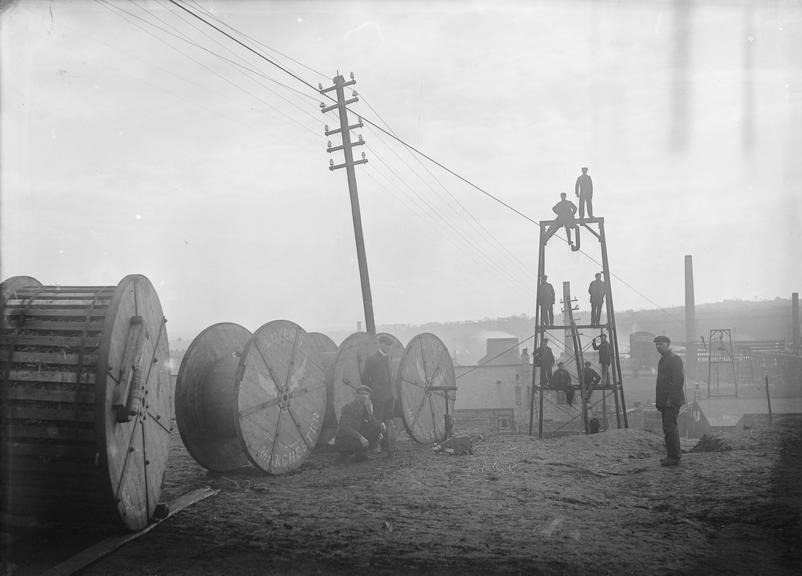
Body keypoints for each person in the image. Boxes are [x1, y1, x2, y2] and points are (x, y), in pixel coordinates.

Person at [360, 334, 396, 456]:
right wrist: (372, 390)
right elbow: (365, 377)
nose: (388, 347)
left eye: (390, 345)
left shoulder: (389, 359)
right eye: (386, 344)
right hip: (378, 396)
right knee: (377, 420)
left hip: (389, 395)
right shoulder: (372, 359)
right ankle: (375, 445)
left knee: (388, 420)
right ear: (380, 344)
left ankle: (388, 446)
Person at [654, 335, 685, 467]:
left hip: (671, 401)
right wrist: (659, 402)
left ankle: (674, 457)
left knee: (670, 427)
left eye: (660, 344)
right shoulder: (663, 360)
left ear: (668, 344)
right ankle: (671, 455)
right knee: (667, 428)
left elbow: (678, 381)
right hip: (664, 401)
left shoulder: (674, 359)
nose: (658, 347)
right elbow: (661, 383)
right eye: (656, 344)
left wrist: (670, 399)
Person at [334, 386, 383, 462]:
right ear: (356, 395)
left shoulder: (364, 406)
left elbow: (371, 420)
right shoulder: (349, 407)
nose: (364, 396)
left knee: (376, 428)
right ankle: (344, 455)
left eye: (366, 394)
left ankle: (361, 455)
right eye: (362, 393)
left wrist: (380, 425)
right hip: (344, 438)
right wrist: (360, 437)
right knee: (348, 449)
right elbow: (345, 427)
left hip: (355, 434)